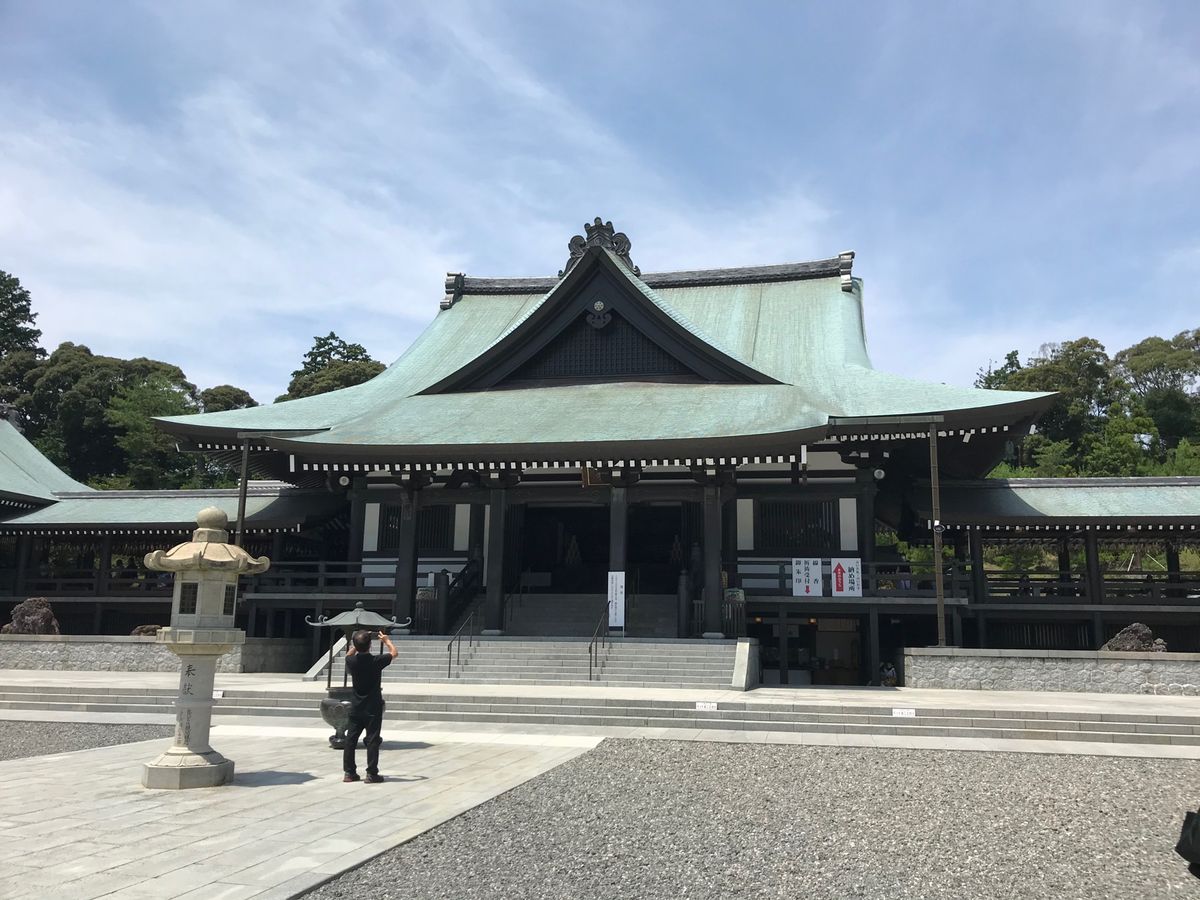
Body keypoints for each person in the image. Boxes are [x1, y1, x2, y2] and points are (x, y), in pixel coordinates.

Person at [342, 629, 395, 783]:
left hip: (356, 706)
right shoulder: (376, 661)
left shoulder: (351, 661)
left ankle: (349, 772)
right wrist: (386, 641)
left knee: (350, 740)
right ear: (370, 645)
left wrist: (356, 645)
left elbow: (348, 655)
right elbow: (394, 653)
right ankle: (371, 773)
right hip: (372, 706)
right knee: (372, 739)